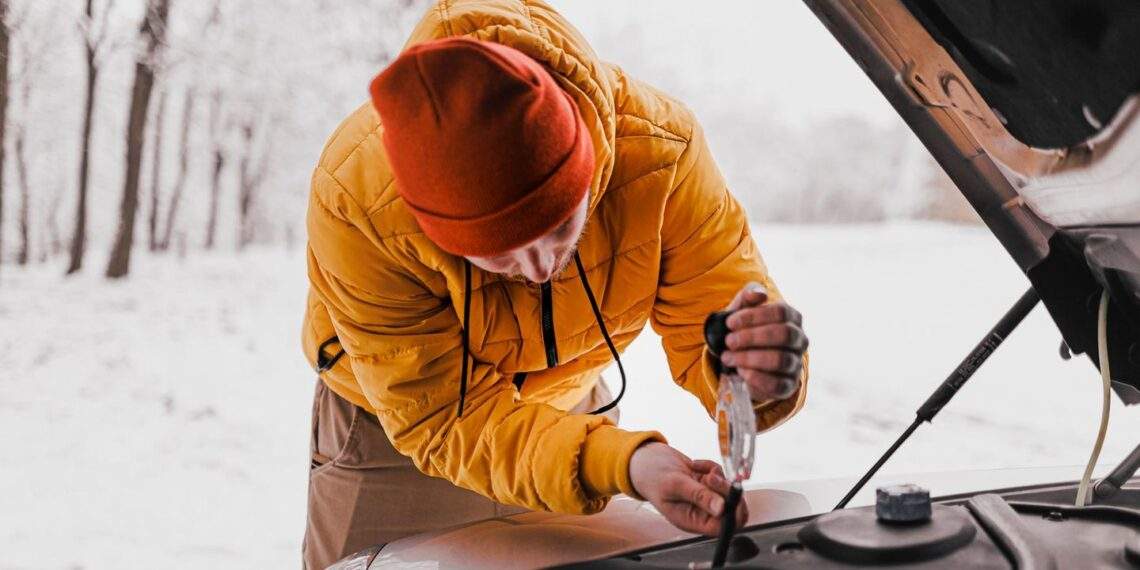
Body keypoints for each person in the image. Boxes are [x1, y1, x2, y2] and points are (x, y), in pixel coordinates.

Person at [300, 1, 809, 567]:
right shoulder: (358, 201)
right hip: (397, 433)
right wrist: (621, 462)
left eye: (561, 223)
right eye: (496, 256)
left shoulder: (662, 155)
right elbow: (446, 420)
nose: (542, 268)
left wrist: (756, 375)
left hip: (573, 409)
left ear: (589, 158)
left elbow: (717, 327)